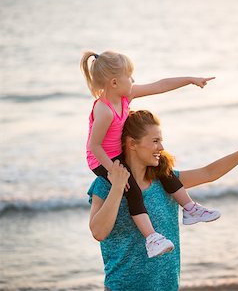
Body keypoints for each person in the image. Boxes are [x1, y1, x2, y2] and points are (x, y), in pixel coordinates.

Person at [88, 109, 238, 290]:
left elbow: (209, 173)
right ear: (132, 144)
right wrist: (117, 187)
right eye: (155, 141)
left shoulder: (165, 180)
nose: (161, 147)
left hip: (168, 286)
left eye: (161, 141)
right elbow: (98, 232)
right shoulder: (104, 185)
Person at [80, 50, 220, 258]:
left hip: (118, 152)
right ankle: (151, 237)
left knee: (161, 165)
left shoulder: (127, 95)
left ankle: (190, 208)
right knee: (133, 190)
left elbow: (160, 86)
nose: (134, 80)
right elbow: (95, 146)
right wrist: (114, 171)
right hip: (101, 160)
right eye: (130, 76)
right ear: (114, 83)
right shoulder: (104, 110)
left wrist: (190, 79)